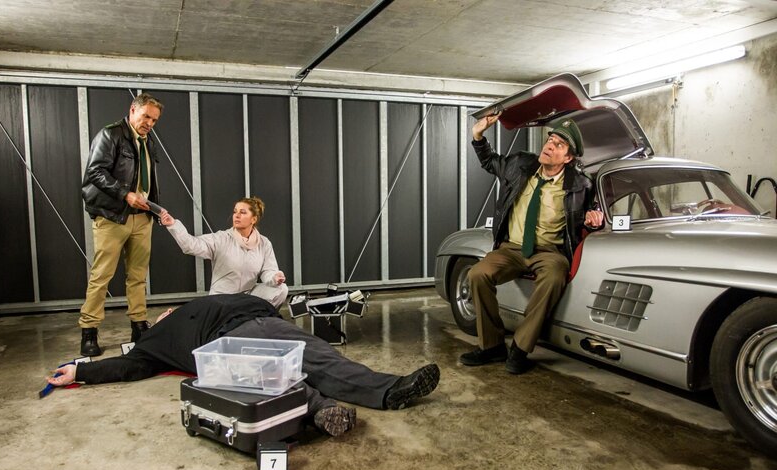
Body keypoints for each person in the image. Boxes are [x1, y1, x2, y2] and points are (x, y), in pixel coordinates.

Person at [47, 293, 440, 437]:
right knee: (272, 379)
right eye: (157, 315)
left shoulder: (201, 303)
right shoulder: (151, 343)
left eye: (165, 311)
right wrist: (80, 371)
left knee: (318, 357)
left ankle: (387, 390)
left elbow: (265, 301)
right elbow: (125, 366)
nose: (163, 313)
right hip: (225, 347)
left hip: (261, 322)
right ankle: (324, 410)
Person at [459, 114, 604, 374]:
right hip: (511, 248)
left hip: (549, 252)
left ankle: (520, 348)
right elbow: (489, 161)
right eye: (550, 139)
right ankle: (492, 346)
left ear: (568, 158)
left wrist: (595, 219)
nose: (549, 145)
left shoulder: (581, 184)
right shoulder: (520, 164)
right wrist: (478, 134)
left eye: (559, 145)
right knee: (477, 274)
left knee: (554, 276)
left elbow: (593, 213)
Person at [79, 93, 166, 358]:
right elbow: (95, 171)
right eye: (146, 117)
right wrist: (125, 194)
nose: (150, 123)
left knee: (138, 275)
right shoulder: (111, 135)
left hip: (142, 217)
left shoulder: (147, 141)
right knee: (102, 275)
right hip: (113, 215)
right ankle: (89, 330)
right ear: (133, 110)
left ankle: (139, 325)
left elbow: (148, 178)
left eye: (154, 119)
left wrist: (155, 209)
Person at [159, 197, 288, 308]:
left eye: (243, 212)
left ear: (253, 219)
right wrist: (173, 225)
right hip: (222, 299)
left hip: (247, 296)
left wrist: (274, 278)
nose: (236, 215)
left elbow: (268, 271)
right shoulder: (221, 238)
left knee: (281, 289)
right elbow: (191, 245)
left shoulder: (264, 243)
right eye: (235, 212)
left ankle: (259, 318)